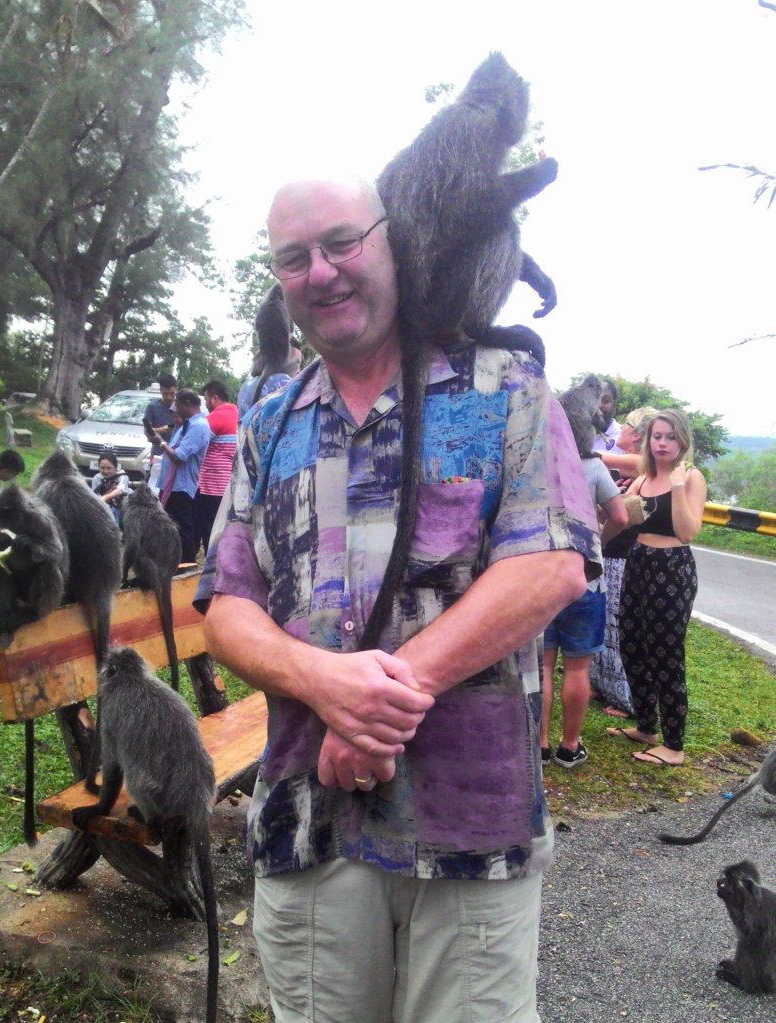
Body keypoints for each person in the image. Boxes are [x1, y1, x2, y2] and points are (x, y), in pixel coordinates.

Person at [194, 176, 601, 1023]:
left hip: (469, 822)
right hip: (307, 824)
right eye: (294, 258)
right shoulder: (272, 417)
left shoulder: (505, 385)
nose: (322, 272)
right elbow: (226, 602)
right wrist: (321, 681)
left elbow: (552, 563)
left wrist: (375, 702)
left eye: (342, 242)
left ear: (392, 240)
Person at [605, 409, 706, 767]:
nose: (662, 443)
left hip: (672, 569)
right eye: (657, 436)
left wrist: (677, 486)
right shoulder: (644, 477)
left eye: (670, 437)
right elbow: (622, 519)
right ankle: (647, 727)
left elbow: (687, 531)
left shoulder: (691, 478)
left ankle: (674, 746)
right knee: (632, 646)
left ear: (682, 441)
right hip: (639, 562)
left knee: (666, 655)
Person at [540, 445, 627, 768]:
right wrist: (598, 544)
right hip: (585, 578)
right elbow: (619, 515)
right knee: (578, 667)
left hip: (541, 578)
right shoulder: (593, 466)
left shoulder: (538, 457)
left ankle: (541, 745)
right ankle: (570, 746)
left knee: (543, 666)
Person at [591, 406, 658, 717]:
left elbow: (596, 458)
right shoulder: (633, 464)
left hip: (623, 551)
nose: (621, 432)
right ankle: (603, 684)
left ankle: (626, 695)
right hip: (612, 550)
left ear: (637, 435)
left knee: (619, 626)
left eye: (628, 427)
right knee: (604, 621)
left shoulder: (638, 462)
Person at [153, 388, 211, 564]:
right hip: (171, 485)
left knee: (182, 527)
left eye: (178, 404)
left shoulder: (198, 426)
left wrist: (161, 443)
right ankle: (171, 561)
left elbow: (178, 457)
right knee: (169, 526)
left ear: (187, 404)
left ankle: (186, 565)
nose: (175, 409)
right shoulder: (186, 425)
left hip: (182, 486)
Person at [194, 380, 238, 554]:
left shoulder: (215, 417)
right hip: (228, 484)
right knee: (221, 527)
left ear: (214, 398)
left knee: (206, 527)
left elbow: (195, 444)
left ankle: (209, 563)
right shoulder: (237, 412)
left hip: (210, 485)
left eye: (205, 399)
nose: (205, 403)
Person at [143, 373, 178, 487]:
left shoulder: (181, 406)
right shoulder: (153, 407)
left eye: (172, 394)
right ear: (160, 391)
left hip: (176, 455)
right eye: (165, 393)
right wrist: (161, 430)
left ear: (176, 390)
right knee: (153, 487)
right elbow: (147, 431)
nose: (168, 397)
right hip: (157, 454)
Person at [89, 449, 130, 527]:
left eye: (109, 468)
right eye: (102, 468)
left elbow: (119, 491)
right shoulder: (96, 478)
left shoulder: (123, 477)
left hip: (122, 509)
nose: (105, 471)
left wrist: (104, 498)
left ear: (115, 467)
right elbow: (94, 497)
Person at [592, 379, 623, 454]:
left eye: (606, 401)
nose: (599, 405)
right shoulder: (575, 438)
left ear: (614, 405)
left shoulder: (623, 437)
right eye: (594, 400)